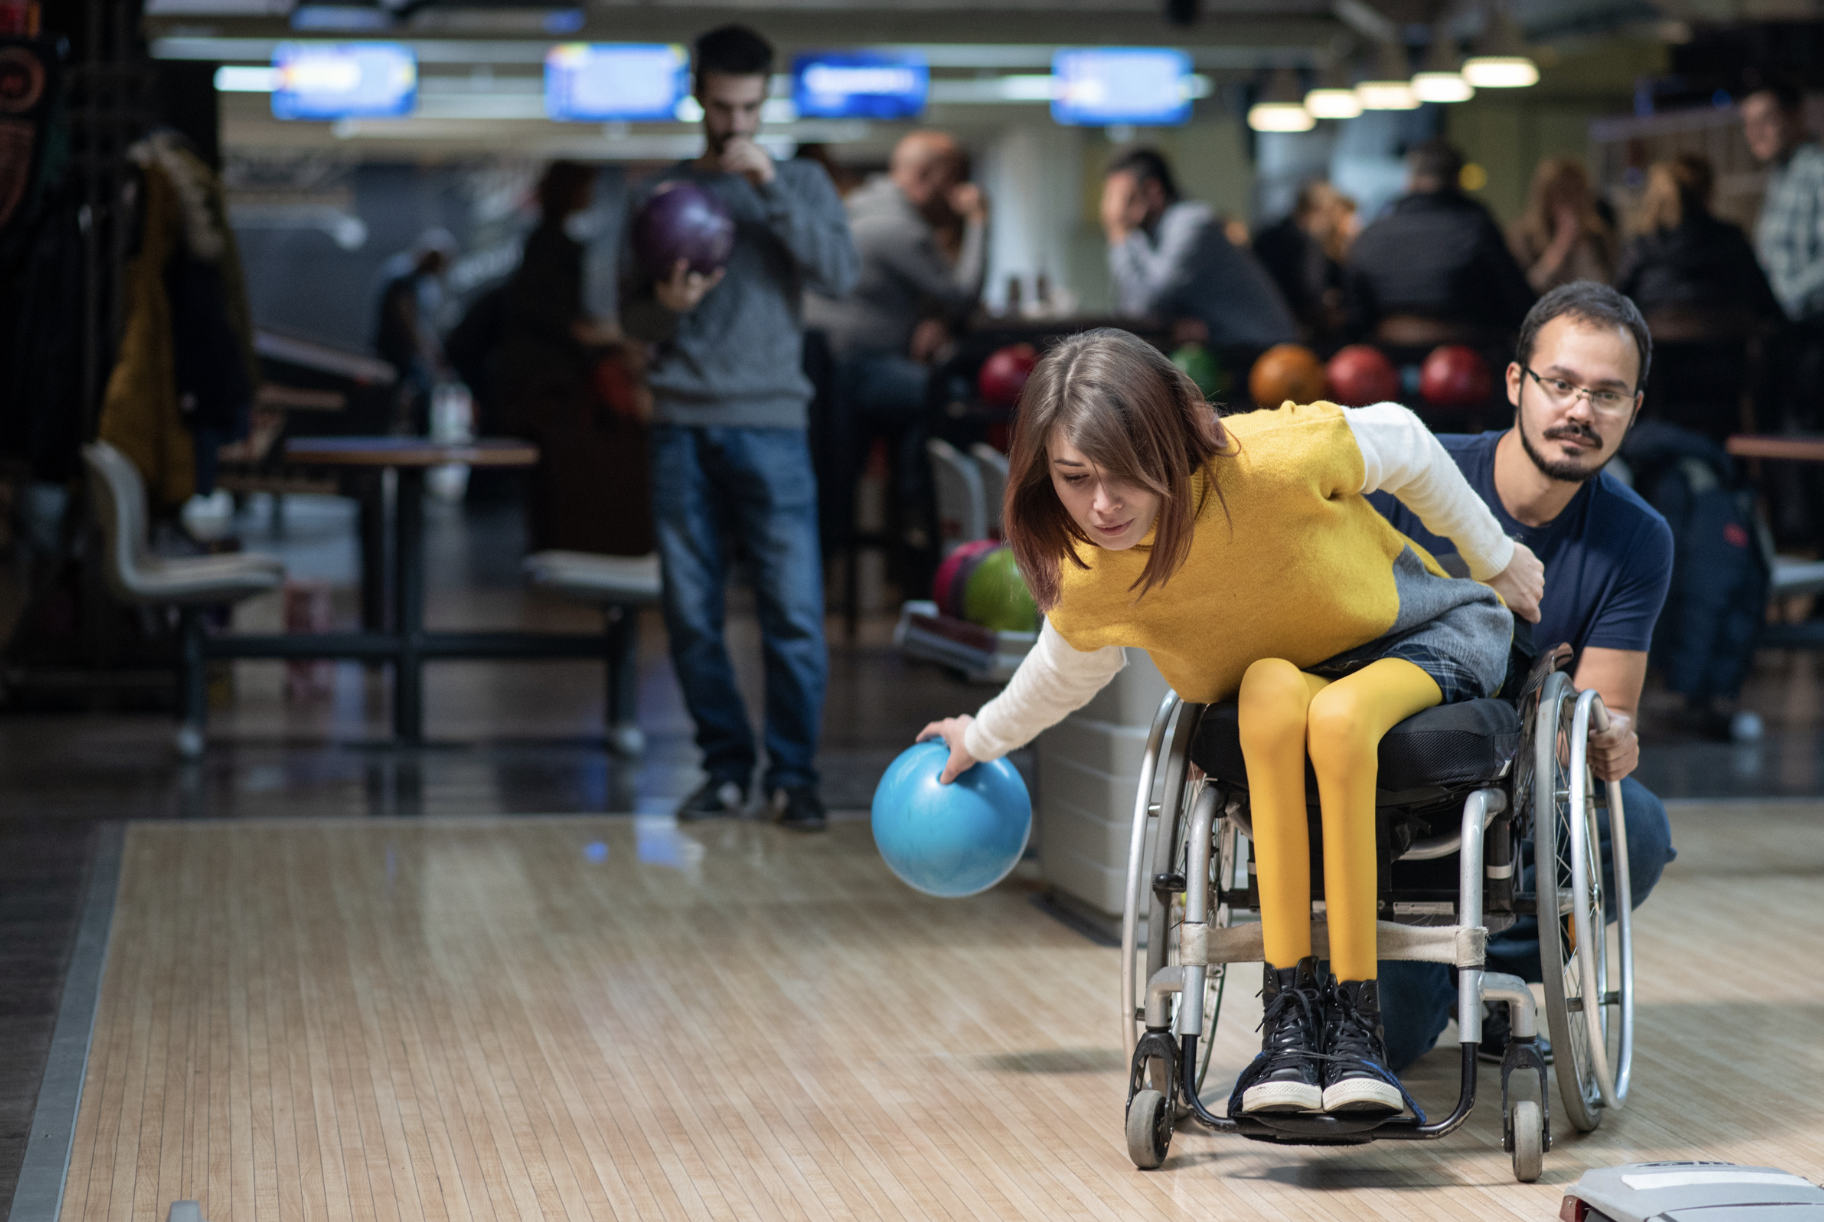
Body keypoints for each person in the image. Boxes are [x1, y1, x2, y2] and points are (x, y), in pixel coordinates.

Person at [917, 328, 1543, 1117]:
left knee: (1341, 717)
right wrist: (977, 738)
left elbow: (1410, 443)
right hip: (1284, 678)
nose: (1102, 504)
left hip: (1422, 637)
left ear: (1173, 445)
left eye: (1128, 475)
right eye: (1075, 478)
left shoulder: (1273, 459)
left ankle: (1354, 1029)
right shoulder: (1088, 573)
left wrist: (1493, 556)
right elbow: (1062, 672)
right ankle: (1289, 1029)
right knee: (1270, 698)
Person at [1370, 282, 1679, 1069]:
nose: (1581, 411)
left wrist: (1612, 736)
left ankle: (1482, 972)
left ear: (1633, 410)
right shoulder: (1415, 476)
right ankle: (1427, 977)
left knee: (1634, 825)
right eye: (1562, 384)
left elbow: (1605, 712)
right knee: (1392, 1042)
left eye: (1607, 394)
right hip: (1390, 796)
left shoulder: (1639, 539)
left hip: (1522, 796)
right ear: (1517, 384)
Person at [620, 24, 860, 832]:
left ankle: (794, 776)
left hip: (773, 425)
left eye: (749, 107)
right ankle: (726, 770)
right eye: (722, 107)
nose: (734, 123)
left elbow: (840, 274)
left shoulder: (800, 184)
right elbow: (631, 315)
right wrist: (667, 309)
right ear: (698, 95)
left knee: (793, 613)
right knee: (691, 615)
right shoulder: (657, 195)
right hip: (682, 425)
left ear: (766, 100)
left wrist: (774, 193)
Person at [804, 129, 988, 561]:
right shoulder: (901, 229)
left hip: (827, 371)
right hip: (859, 370)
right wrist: (980, 221)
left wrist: (930, 318)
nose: (958, 195)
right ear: (926, 177)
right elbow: (962, 294)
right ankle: (922, 514)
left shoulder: (858, 209)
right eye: (954, 182)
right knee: (950, 395)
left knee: (925, 396)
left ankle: (911, 511)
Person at [1616, 154, 1781, 443]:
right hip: (1731, 386)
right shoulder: (1732, 240)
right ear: (1708, 193)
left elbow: (1614, 311)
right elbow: (1769, 309)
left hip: (1659, 390)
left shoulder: (1644, 248)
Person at [1101, 147, 1297, 356]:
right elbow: (1133, 307)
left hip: (1265, 352)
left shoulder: (1191, 223)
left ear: (1153, 190)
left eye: (1122, 197)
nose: (1114, 209)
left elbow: (1144, 308)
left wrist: (1117, 232)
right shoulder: (1143, 236)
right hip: (1231, 350)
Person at [1344, 138, 1535, 347]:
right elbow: (1516, 300)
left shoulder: (1373, 232)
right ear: (1457, 180)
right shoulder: (1476, 226)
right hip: (1468, 361)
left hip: (1383, 362)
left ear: (1410, 178)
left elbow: (1355, 314)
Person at [1744, 79, 1824, 542]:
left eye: (1766, 120)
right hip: (1786, 333)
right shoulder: (1780, 176)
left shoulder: (1815, 169)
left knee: (1806, 446)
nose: (1756, 133)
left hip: (1810, 333)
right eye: (1749, 124)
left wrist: (1784, 302)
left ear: (1796, 117)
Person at [373, 227, 456, 433]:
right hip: (393, 355)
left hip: (400, 355)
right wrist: (430, 357)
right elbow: (409, 324)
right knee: (415, 395)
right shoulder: (403, 277)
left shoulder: (414, 279)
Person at [1253, 180, 1353, 342]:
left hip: (1260, 332)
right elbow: (1312, 299)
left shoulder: (1265, 236)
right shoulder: (1306, 245)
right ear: (1318, 210)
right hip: (1296, 338)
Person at [1508, 157, 1619, 294]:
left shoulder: (1599, 237)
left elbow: (1609, 289)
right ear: (1545, 198)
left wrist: (1581, 247)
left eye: (1578, 192)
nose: (1573, 201)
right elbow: (1523, 291)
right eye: (1564, 193)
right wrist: (1561, 245)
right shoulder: (1523, 238)